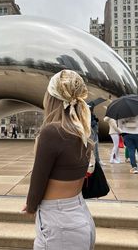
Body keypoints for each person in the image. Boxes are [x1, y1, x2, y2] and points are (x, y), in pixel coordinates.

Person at [23, 70, 95, 250]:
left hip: (59, 221)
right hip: (79, 214)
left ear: (52, 98)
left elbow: (38, 178)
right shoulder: (82, 131)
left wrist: (31, 206)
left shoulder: (52, 132)